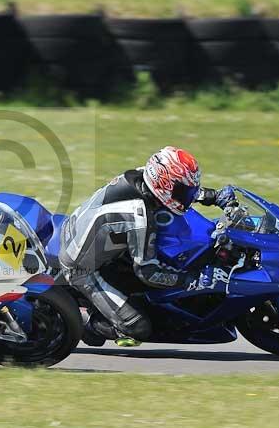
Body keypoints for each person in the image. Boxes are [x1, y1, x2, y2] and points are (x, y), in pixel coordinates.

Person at [58, 146, 235, 346]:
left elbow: (178, 188)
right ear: (164, 185)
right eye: (183, 191)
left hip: (98, 241)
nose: (187, 195)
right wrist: (193, 280)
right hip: (82, 269)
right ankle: (82, 320)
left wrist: (214, 196)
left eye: (188, 190)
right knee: (138, 328)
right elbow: (147, 271)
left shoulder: (145, 176)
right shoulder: (139, 216)